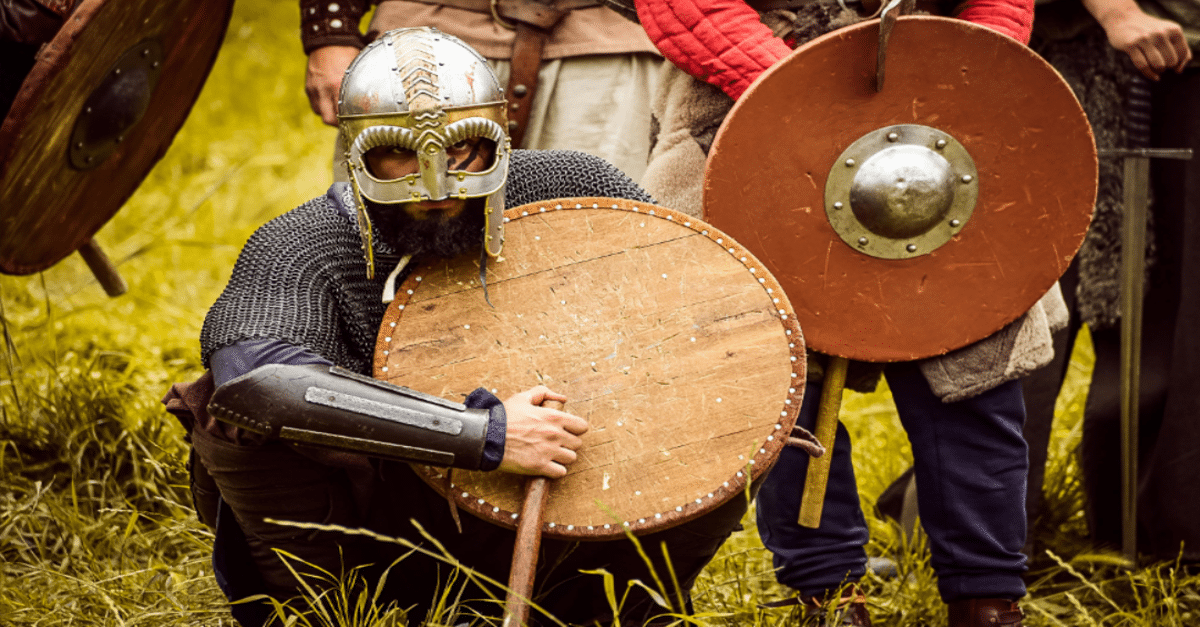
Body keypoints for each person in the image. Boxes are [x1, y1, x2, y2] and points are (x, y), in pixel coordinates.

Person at [165, 28, 751, 627]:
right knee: (222, 408)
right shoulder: (303, 245)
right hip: (388, 523)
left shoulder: (571, 188)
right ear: (357, 151)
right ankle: (340, 613)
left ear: (498, 136)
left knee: (747, 400)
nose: (437, 181)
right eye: (400, 153)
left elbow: (700, 314)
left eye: (461, 149)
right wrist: (485, 436)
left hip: (576, 477)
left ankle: (622, 609)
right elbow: (261, 387)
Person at [614, 1, 1059, 625]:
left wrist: (968, 71)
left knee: (972, 364)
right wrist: (802, 96)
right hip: (747, 105)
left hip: (934, 115)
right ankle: (828, 595)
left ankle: (988, 598)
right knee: (781, 378)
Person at [1029, 0, 1199, 561]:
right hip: (1110, 63)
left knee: (1169, 314)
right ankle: (983, 539)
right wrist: (1117, 9)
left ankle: (1153, 523)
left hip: (1173, 58)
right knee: (1034, 317)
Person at [300, 0, 664, 183]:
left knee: (596, 247)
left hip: (603, 44)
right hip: (422, 31)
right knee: (388, 256)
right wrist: (331, 28)